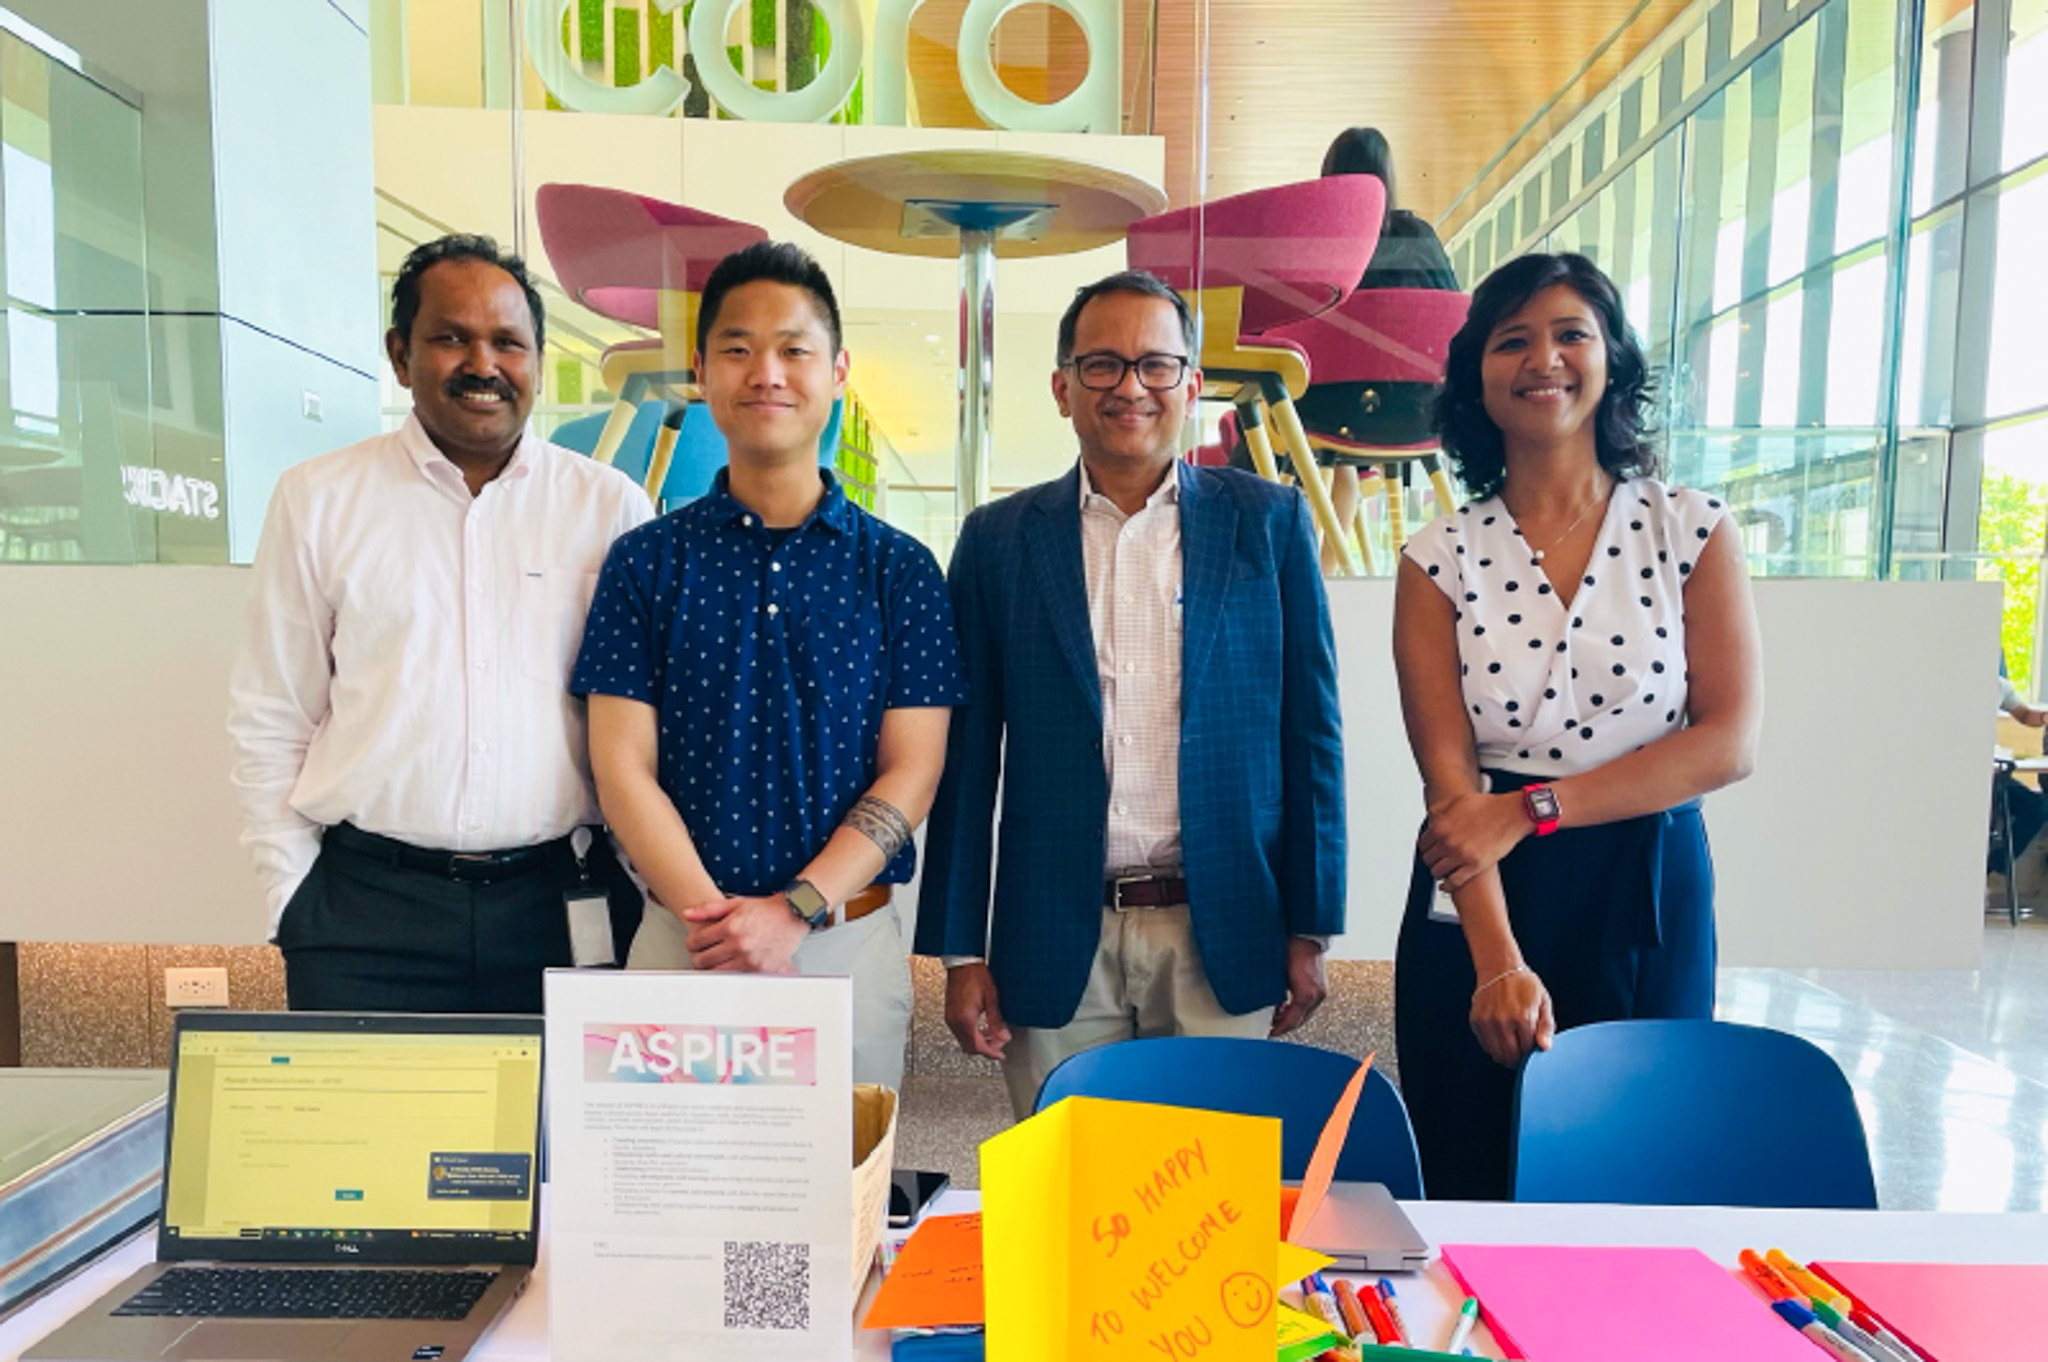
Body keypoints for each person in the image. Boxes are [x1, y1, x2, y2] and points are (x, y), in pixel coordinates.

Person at [918, 269, 1347, 1119]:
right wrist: (960, 951)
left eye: (1156, 365)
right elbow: (966, 767)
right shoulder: (999, 541)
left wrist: (1312, 923)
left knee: (1207, 1204)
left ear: (1191, 384)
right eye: (1103, 365)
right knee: (1070, 1195)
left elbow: (1312, 739)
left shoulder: (1270, 523)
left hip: (1222, 923)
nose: (1130, 388)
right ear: (1062, 388)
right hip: (1053, 931)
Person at [1391, 251, 1763, 1200]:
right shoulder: (1438, 556)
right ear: (1478, 374)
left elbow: (1726, 744)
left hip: (1644, 876)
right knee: (1473, 1165)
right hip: (1479, 891)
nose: (1542, 359)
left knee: (1636, 1163)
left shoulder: (1692, 529)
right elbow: (1452, 789)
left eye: (1569, 335)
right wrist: (1496, 963)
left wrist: (1534, 810)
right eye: (1512, 340)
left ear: (1611, 361)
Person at [572, 241, 964, 1090]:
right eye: (738, 349)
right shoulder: (644, 562)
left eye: (794, 349)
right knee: (660, 1205)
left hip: (845, 943)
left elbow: (915, 767)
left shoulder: (900, 570)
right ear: (705, 373)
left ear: (837, 370)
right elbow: (620, 764)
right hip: (679, 942)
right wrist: (721, 927)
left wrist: (792, 913)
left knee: (839, 1207)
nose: (767, 373)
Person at [229, 234, 654, 1013]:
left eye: (507, 343)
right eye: (451, 338)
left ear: (535, 357)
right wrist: (291, 893)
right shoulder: (318, 499)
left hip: (562, 905)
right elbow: (272, 712)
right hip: (365, 916)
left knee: (557, 1137)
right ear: (400, 355)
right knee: (370, 1137)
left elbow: (641, 719)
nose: (482, 364)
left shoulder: (611, 507)